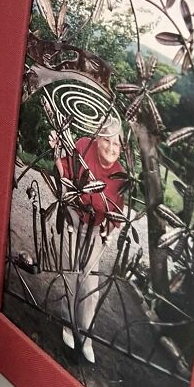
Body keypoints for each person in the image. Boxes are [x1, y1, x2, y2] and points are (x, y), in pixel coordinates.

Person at [48, 114, 125, 364]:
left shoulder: (119, 175)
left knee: (90, 284)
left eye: (117, 144)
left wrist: (108, 231)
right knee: (71, 274)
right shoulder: (83, 146)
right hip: (73, 218)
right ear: (98, 138)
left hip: (95, 229)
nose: (111, 148)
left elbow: (117, 212)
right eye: (107, 141)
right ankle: (69, 326)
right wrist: (56, 152)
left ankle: (87, 336)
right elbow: (66, 174)